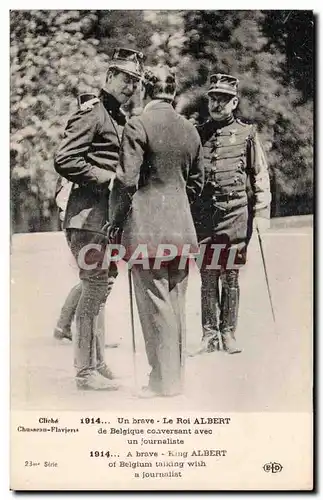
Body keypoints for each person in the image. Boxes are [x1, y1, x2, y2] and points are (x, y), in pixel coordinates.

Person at [109, 64, 204, 398]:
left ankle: (163, 383)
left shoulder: (138, 124)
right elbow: (197, 183)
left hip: (147, 231)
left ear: (144, 91)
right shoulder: (190, 130)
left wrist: (115, 220)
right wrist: (175, 205)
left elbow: (124, 181)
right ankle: (173, 380)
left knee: (155, 307)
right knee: (175, 306)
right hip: (181, 229)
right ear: (173, 92)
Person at [54, 48, 144, 390]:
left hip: (105, 221)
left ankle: (98, 362)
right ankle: (84, 372)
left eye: (135, 82)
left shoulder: (118, 118)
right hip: (87, 218)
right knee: (95, 286)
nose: (131, 87)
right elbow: (65, 158)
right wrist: (108, 178)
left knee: (101, 286)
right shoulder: (91, 114)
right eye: (125, 79)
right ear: (109, 77)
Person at [191, 73, 271, 354]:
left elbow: (260, 175)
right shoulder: (197, 133)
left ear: (234, 102)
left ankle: (229, 333)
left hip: (236, 213)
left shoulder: (248, 134)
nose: (217, 104)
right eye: (213, 98)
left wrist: (261, 214)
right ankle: (209, 335)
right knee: (208, 275)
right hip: (204, 216)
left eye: (223, 99)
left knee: (231, 275)